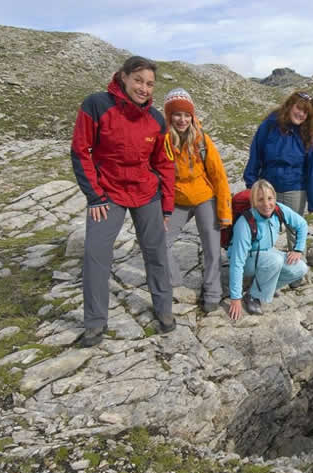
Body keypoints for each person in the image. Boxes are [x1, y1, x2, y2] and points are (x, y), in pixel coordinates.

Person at [71, 56, 175, 348]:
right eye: (139, 80)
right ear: (124, 77)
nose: (144, 88)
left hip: (146, 193)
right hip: (109, 193)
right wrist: (94, 196)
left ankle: (164, 310)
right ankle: (94, 324)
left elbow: (164, 163)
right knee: (95, 256)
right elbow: (81, 151)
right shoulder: (96, 104)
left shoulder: (156, 119)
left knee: (155, 254)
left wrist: (167, 206)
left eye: (150, 83)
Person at [162, 88, 232, 313]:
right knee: (159, 242)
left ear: (192, 116)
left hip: (204, 197)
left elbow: (219, 177)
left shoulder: (202, 141)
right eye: (177, 114)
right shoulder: (162, 141)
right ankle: (174, 282)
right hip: (177, 200)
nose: (182, 119)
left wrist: (224, 212)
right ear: (169, 116)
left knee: (212, 248)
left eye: (186, 115)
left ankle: (212, 292)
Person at [242, 90, 313, 251]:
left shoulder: (308, 136)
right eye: (298, 108)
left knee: (295, 231)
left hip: (295, 190)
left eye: (306, 112)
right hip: (268, 189)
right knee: (264, 229)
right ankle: (263, 267)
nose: (301, 114)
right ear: (290, 106)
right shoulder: (269, 126)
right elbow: (255, 154)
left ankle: (297, 271)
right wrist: (251, 184)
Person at [227, 179, 309, 320]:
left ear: (274, 198)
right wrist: (235, 298)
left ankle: (263, 289)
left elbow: (302, 224)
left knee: (300, 268)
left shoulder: (279, 209)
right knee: (275, 260)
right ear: (253, 202)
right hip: (246, 260)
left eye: (270, 198)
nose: (266, 204)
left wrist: (298, 249)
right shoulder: (245, 223)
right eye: (260, 200)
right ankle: (252, 297)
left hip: (266, 254)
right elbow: (237, 263)